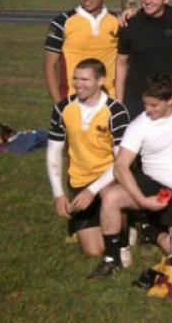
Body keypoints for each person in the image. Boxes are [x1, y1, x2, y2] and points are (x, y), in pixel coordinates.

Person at [91, 73, 172, 278]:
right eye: (146, 104)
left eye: (154, 105)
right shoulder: (140, 124)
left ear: (170, 100)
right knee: (110, 196)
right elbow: (121, 167)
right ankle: (111, 259)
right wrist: (143, 201)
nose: (148, 110)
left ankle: (151, 231)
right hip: (153, 185)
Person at [46, 59, 130, 257]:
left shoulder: (116, 111)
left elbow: (121, 162)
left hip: (110, 178)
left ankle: (125, 231)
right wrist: (59, 194)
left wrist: (92, 191)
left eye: (85, 79)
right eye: (75, 78)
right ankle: (109, 224)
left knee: (113, 200)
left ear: (101, 81)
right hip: (79, 181)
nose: (78, 84)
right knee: (94, 251)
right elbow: (53, 153)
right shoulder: (63, 108)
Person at [115, 0, 172, 118]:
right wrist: (119, 101)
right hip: (138, 99)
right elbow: (121, 63)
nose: (147, 1)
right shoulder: (129, 24)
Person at [44, 0, 120, 103]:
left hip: (109, 102)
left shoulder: (118, 21)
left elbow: (124, 64)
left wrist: (120, 103)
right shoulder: (62, 22)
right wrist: (59, 105)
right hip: (73, 101)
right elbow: (50, 65)